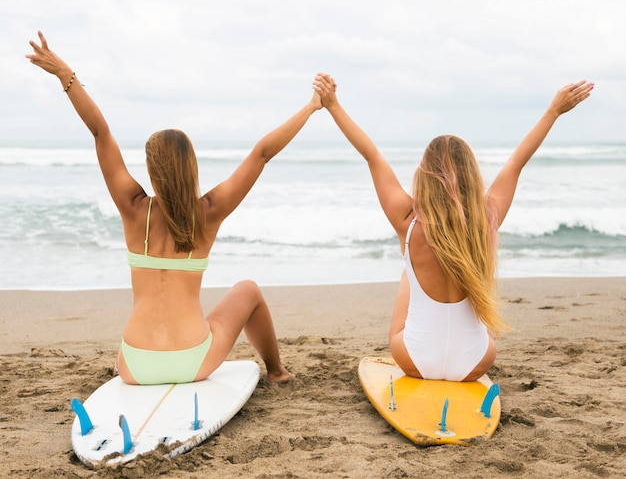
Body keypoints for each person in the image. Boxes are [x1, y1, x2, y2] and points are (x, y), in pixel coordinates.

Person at [26, 31, 322, 385]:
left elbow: (100, 132)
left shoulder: (133, 209)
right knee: (248, 290)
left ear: (152, 170)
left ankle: (128, 361)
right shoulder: (209, 212)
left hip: (135, 365)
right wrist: (311, 106)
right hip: (192, 360)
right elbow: (262, 153)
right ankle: (276, 372)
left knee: (134, 338)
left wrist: (65, 75)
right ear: (191, 167)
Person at [313, 73, 593, 381]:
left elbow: (371, 155)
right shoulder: (487, 219)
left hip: (414, 360)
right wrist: (553, 111)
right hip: (475, 363)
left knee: (410, 271)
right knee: (475, 295)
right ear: (471, 175)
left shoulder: (407, 221)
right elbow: (516, 163)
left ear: (425, 173)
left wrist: (333, 105)